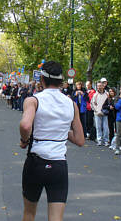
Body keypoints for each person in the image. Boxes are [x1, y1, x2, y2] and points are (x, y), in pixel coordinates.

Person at [19, 61, 84, 221]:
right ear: (61, 81)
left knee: (29, 213)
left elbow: (26, 125)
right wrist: (60, 129)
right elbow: (80, 139)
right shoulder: (71, 104)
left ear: (42, 79)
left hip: (36, 162)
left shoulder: (33, 100)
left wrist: (24, 139)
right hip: (58, 165)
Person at [91, 82, 110, 146]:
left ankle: (106, 140)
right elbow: (93, 104)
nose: (98, 87)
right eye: (98, 86)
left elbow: (109, 103)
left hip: (105, 113)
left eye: (100, 86)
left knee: (106, 127)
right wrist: (97, 111)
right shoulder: (95, 95)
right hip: (97, 113)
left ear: (103, 86)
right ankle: (99, 140)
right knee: (98, 127)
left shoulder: (107, 94)